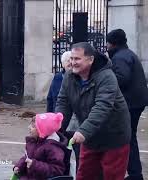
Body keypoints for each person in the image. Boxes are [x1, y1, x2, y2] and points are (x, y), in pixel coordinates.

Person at [55, 42, 131, 180]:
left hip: (113, 136)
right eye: (71, 58)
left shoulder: (107, 77)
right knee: (84, 174)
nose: (73, 62)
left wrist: (83, 131)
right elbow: (63, 103)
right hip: (90, 136)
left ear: (90, 59)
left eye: (77, 59)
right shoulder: (69, 76)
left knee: (111, 176)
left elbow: (102, 107)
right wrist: (56, 129)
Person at [107, 29, 148, 180]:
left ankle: (135, 173)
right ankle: (134, 173)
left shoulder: (120, 57)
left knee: (127, 138)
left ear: (113, 43)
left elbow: (121, 78)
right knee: (129, 138)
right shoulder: (127, 54)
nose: (106, 46)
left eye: (108, 43)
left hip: (130, 103)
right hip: (136, 101)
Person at [13, 112, 67, 180]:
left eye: (33, 126)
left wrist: (34, 165)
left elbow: (57, 170)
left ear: (42, 130)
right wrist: (19, 166)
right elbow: (26, 157)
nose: (29, 127)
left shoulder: (53, 148)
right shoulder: (35, 141)